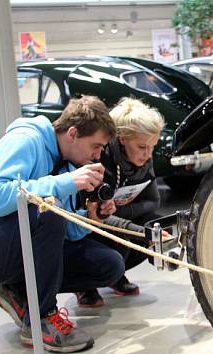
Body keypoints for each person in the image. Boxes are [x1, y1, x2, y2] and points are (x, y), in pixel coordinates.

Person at [0, 95, 124, 352]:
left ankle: (16, 290)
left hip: (10, 244)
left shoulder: (66, 164)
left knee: (110, 265)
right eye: (95, 146)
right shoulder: (25, 141)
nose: (97, 155)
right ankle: (41, 319)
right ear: (73, 133)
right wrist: (65, 183)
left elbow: (66, 235)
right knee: (47, 210)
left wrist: (92, 218)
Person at [75, 97, 167, 307]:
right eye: (142, 146)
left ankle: (116, 275)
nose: (148, 154)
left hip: (116, 216)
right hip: (90, 226)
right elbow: (93, 215)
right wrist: (128, 220)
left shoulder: (145, 160)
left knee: (155, 224)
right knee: (130, 233)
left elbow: (154, 201)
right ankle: (84, 284)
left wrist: (122, 210)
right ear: (123, 138)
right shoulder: (99, 157)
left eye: (152, 146)